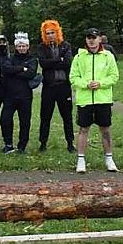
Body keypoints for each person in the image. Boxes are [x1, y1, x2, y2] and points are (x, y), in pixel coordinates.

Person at [70, 28, 120, 173]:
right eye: (89, 38)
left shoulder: (108, 56)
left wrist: (100, 83)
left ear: (100, 39)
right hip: (85, 100)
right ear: (86, 40)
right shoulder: (79, 57)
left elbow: (114, 76)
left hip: (102, 99)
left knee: (105, 129)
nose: (91, 40)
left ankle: (109, 159)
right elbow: (73, 77)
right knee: (83, 129)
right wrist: (85, 84)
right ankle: (80, 160)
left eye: (94, 37)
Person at [36, 20, 75, 153]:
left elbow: (68, 62)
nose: (50, 35)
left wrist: (53, 62)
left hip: (63, 86)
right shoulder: (42, 47)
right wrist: (59, 60)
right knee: (45, 116)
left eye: (52, 32)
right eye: (47, 33)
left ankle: (70, 143)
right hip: (49, 86)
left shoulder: (65, 45)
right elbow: (43, 64)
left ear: (57, 32)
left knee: (67, 116)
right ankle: (43, 143)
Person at [0, 32, 39, 154]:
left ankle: (22, 146)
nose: (21, 48)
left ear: (28, 47)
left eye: (24, 46)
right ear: (15, 47)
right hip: (9, 95)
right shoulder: (10, 59)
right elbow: (5, 69)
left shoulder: (32, 59)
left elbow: (31, 73)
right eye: (19, 46)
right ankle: (8, 144)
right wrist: (22, 68)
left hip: (25, 96)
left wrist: (14, 71)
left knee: (25, 122)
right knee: (5, 119)